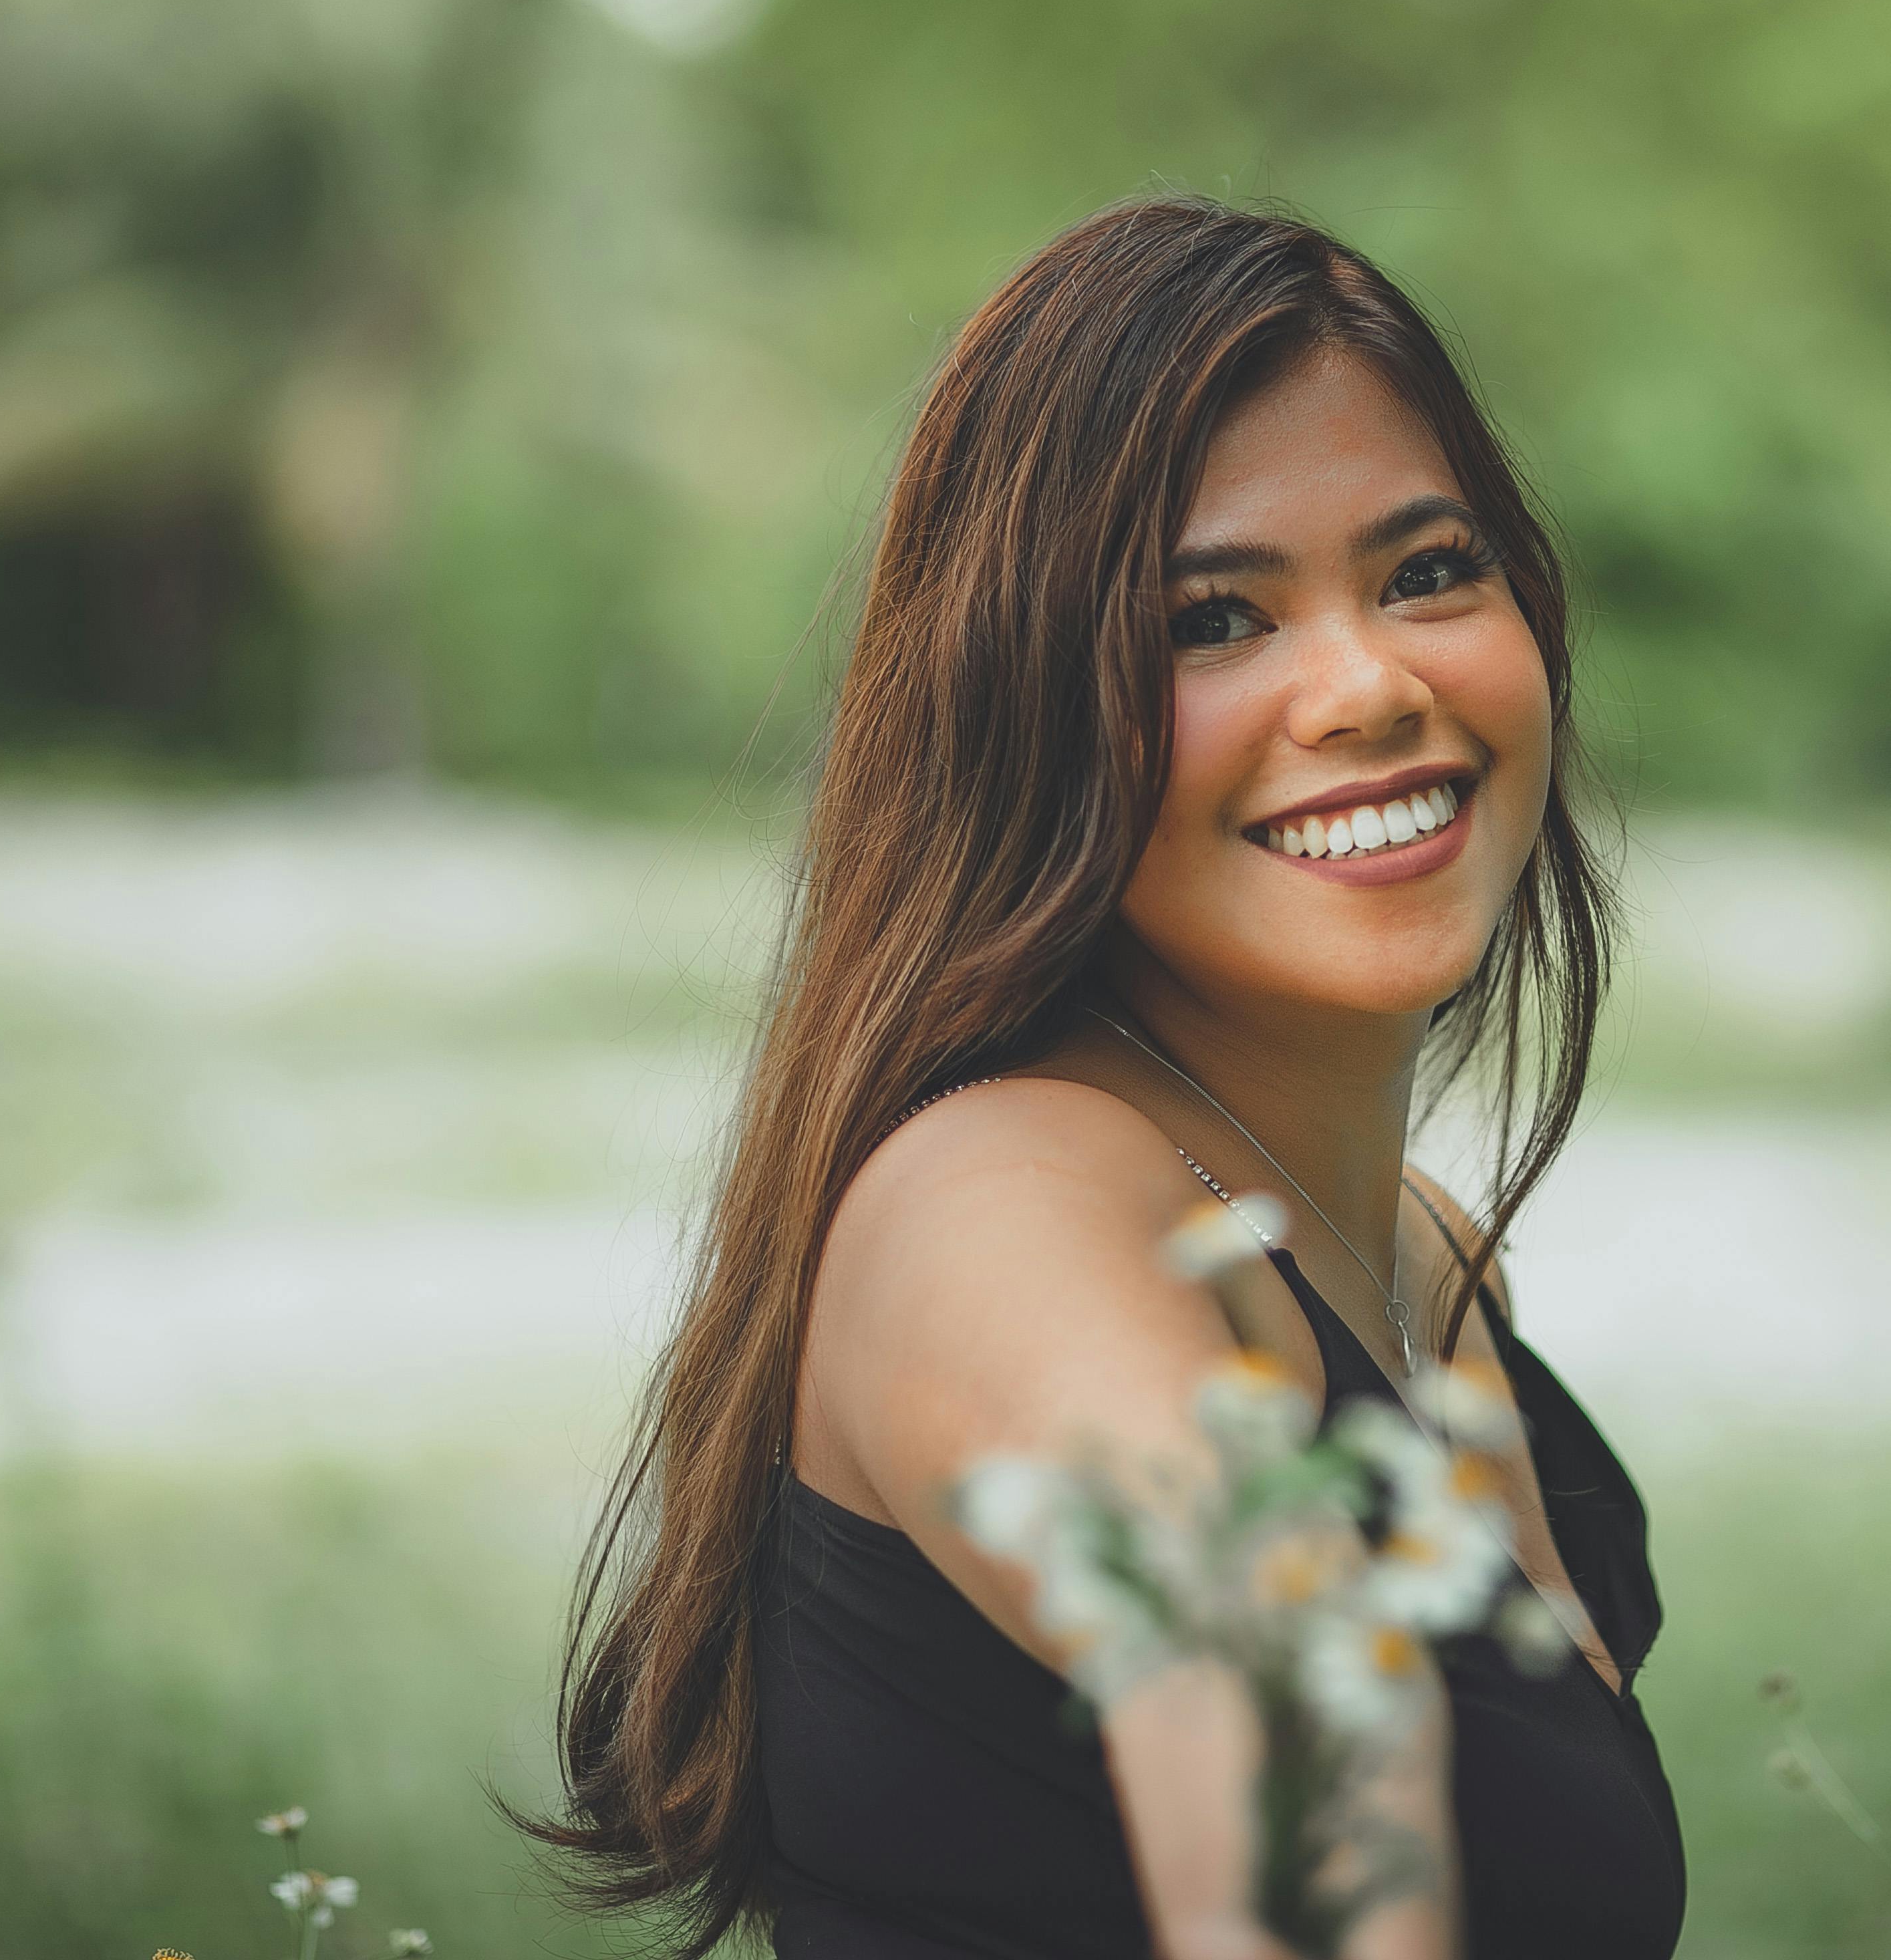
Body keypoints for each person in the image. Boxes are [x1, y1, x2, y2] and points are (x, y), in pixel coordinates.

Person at [526, 198, 1685, 1959]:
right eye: (1214, 618)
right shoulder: (1004, 1212)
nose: (1365, 684)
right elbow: (1291, 1775)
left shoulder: (1428, 1260)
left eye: (1429, 571)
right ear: (1030, 714)